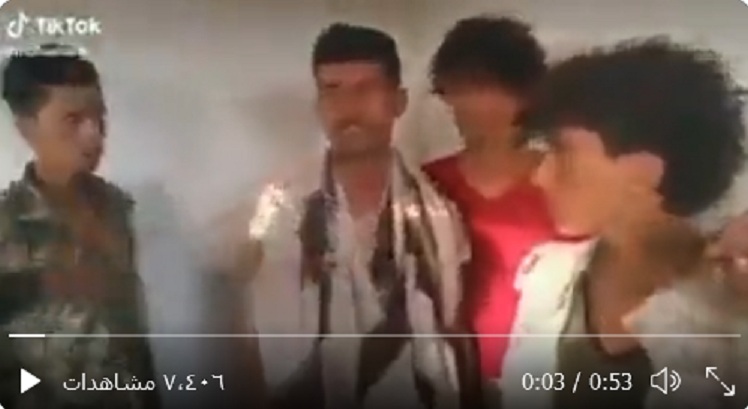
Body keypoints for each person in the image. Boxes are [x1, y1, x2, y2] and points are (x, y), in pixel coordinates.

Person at [500, 37, 748, 409]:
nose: (540, 176)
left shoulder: (733, 313)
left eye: (562, 153)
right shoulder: (548, 278)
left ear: (643, 172)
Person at [242, 24, 471, 409]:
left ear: (398, 101)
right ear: (318, 105)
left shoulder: (438, 215)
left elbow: (452, 330)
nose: (347, 107)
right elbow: (255, 340)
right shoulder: (282, 209)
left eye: (365, 89)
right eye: (332, 90)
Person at [0, 44, 160, 409]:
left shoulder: (117, 208)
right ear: (26, 127)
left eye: (99, 117)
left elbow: (131, 332)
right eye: (73, 120)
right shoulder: (7, 227)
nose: (94, 134)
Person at [422, 15, 555, 384]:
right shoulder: (426, 184)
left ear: (525, 93)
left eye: (481, 87)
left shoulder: (563, 183)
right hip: (449, 379)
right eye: (455, 89)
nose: (465, 104)